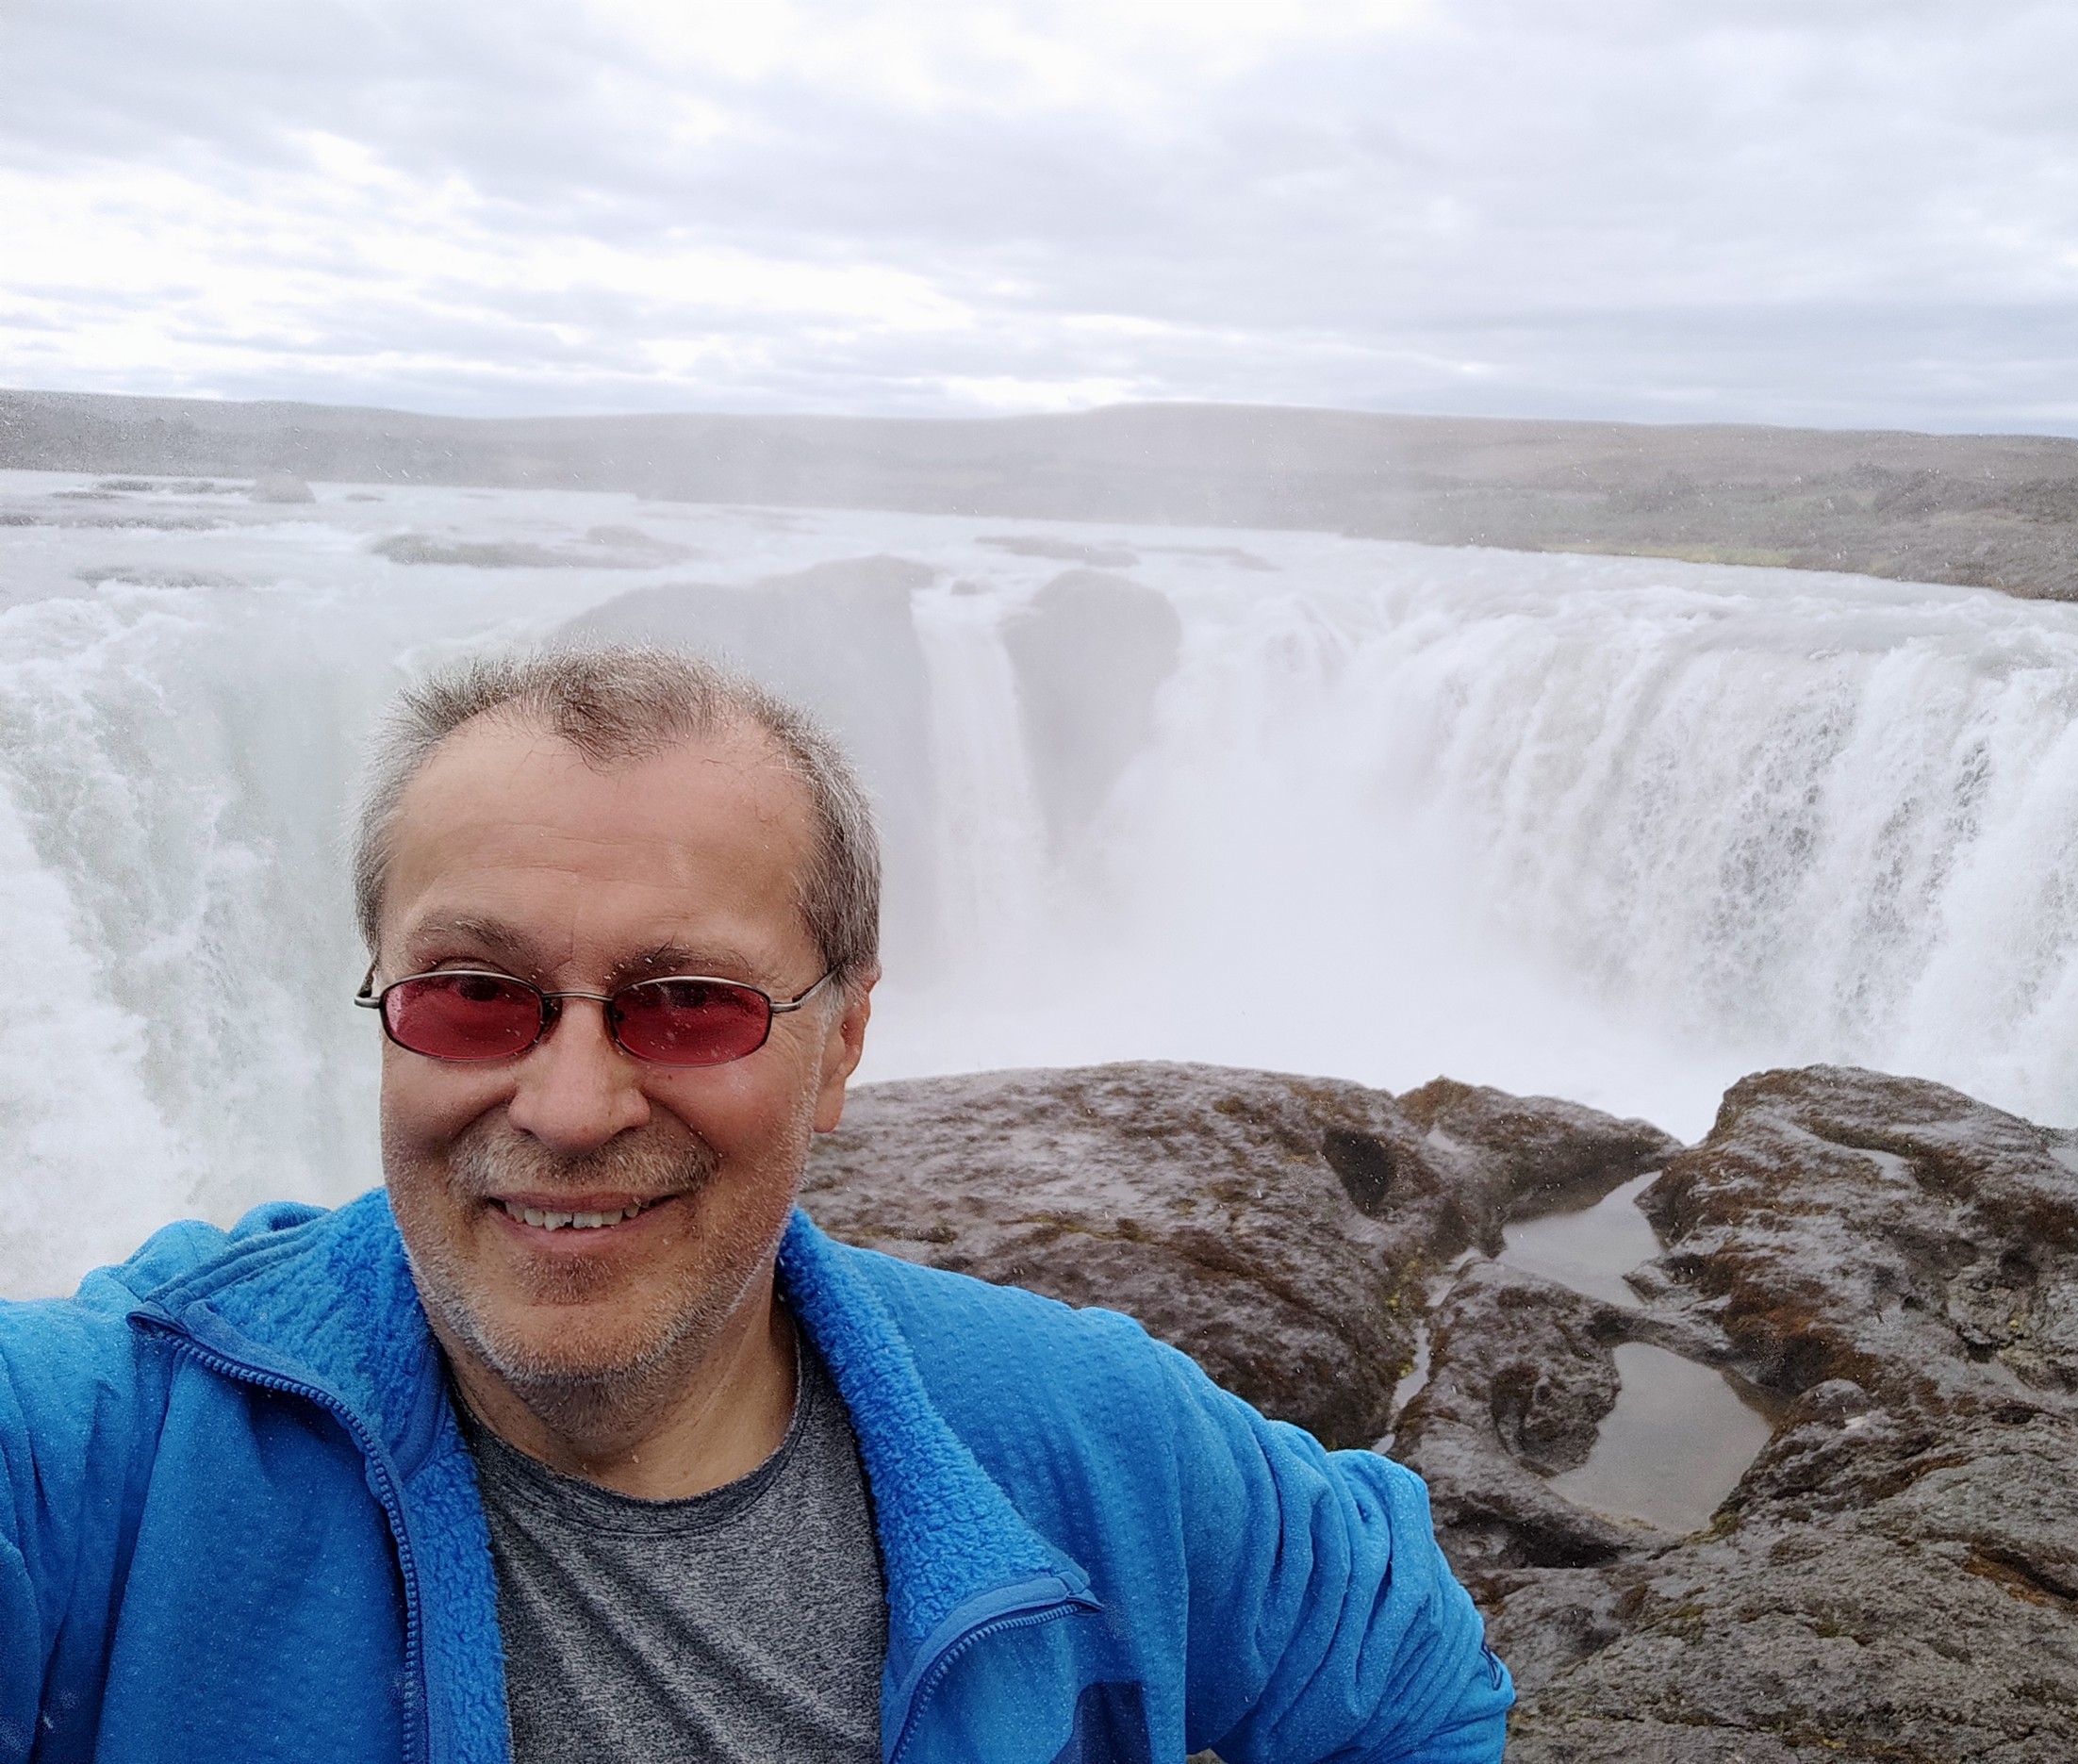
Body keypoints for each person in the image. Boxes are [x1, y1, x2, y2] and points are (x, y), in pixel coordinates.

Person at [0, 646, 1511, 1764]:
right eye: (473, 993)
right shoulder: (102, 1454)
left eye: (688, 1004)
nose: (569, 1106)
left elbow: (1414, 1670)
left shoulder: (1083, 1441)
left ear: (841, 1045)